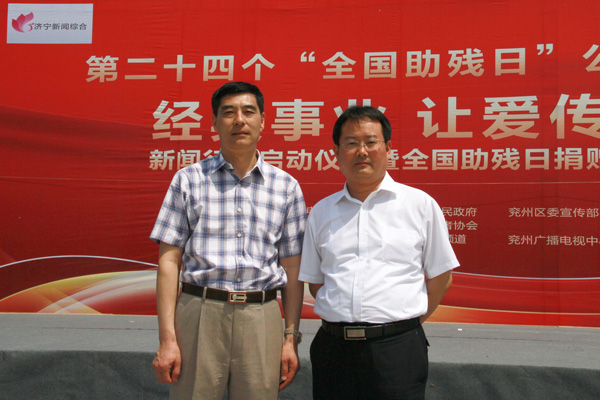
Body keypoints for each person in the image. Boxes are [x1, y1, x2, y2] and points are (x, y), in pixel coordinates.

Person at [150, 82, 306, 400]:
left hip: (261, 316)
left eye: (249, 112)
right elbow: (169, 261)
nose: (239, 120)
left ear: (263, 121)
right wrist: (167, 339)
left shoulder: (286, 186)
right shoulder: (188, 180)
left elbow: (292, 267)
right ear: (214, 122)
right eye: (229, 112)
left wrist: (290, 337)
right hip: (199, 313)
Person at [298, 106, 459, 400]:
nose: (362, 151)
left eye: (371, 142)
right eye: (351, 143)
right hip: (334, 350)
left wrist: (402, 326)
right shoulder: (321, 212)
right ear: (336, 152)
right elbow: (316, 284)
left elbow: (441, 278)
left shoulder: (419, 205)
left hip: (397, 351)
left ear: (388, 148)